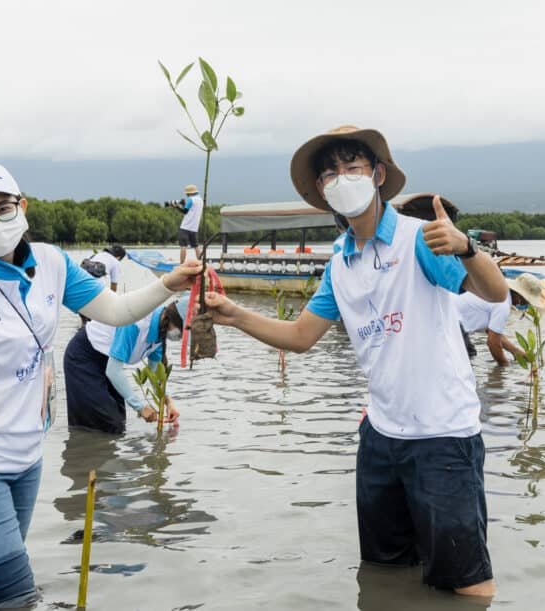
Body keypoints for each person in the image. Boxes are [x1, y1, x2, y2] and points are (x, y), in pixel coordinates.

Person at [203, 125, 508, 597]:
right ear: (322, 191)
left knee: (467, 586)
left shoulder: (419, 240)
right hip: (380, 438)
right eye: (329, 174)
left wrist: (467, 247)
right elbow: (301, 336)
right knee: (384, 572)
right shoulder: (340, 264)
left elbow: (495, 291)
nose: (341, 179)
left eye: (352, 168)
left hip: (442, 437)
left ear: (378, 174)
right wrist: (234, 315)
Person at [0, 162, 200, 609]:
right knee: (16, 597)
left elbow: (115, 310)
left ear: (23, 206)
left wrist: (169, 283)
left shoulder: (51, 263)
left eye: (2, 208)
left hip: (26, 462)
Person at [64, 298, 187, 434]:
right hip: (84, 357)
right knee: (106, 422)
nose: (181, 337)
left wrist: (169, 402)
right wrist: (140, 407)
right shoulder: (136, 324)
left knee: (119, 419)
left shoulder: (160, 333)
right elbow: (113, 371)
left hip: (107, 359)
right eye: (182, 333)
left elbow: (154, 372)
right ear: (172, 321)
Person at [454, 290, 524, 366]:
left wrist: (515, 352)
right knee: (463, 363)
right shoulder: (503, 304)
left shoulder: (498, 294)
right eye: (525, 301)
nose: (520, 304)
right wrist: (504, 365)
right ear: (518, 296)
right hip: (453, 321)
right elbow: (493, 343)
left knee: (471, 353)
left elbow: (493, 333)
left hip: (455, 318)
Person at [169, 184, 203, 263]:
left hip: (185, 227)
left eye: (187, 193)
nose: (186, 195)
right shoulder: (200, 200)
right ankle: (201, 263)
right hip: (194, 228)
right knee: (196, 246)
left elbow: (185, 211)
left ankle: (182, 265)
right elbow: (191, 209)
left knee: (183, 246)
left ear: (189, 193)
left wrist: (176, 206)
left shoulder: (191, 199)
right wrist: (183, 205)